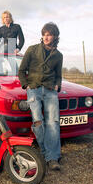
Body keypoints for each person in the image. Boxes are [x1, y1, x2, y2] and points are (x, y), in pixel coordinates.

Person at [18, 22, 63, 171]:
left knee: (53, 123)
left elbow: (58, 75)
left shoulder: (58, 55)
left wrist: (57, 85)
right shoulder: (32, 50)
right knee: (38, 121)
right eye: (44, 34)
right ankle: (45, 152)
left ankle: (53, 157)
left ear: (55, 36)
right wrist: (26, 85)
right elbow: (22, 70)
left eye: (49, 34)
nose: (46, 37)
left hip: (50, 90)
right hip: (34, 89)